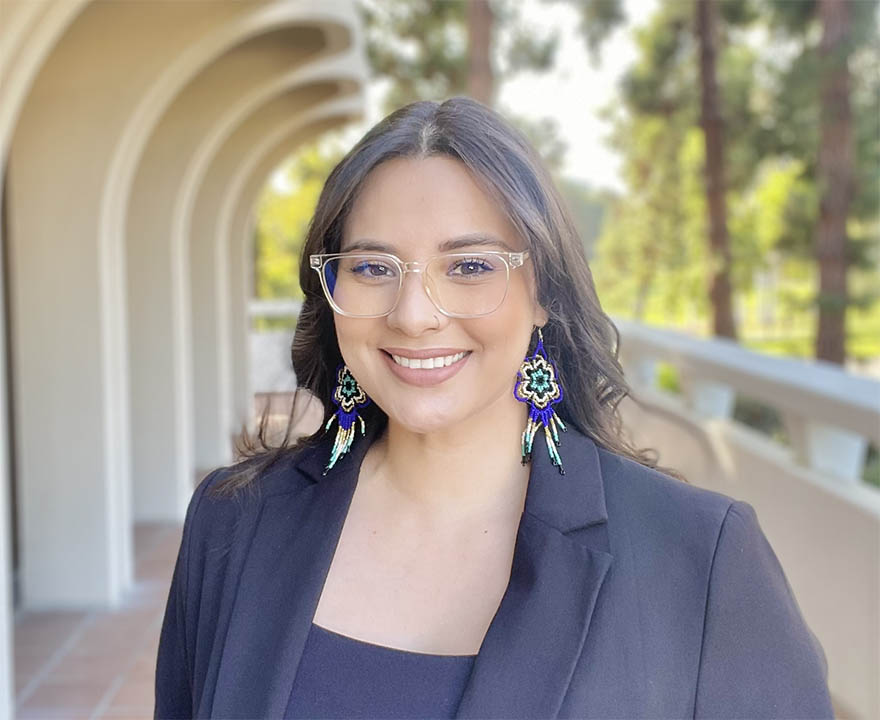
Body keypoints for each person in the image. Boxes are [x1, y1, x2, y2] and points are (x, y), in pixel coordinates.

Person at [154, 97, 833, 719]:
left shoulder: (700, 559)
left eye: (470, 266)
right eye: (372, 267)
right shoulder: (233, 524)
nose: (415, 315)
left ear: (543, 294)